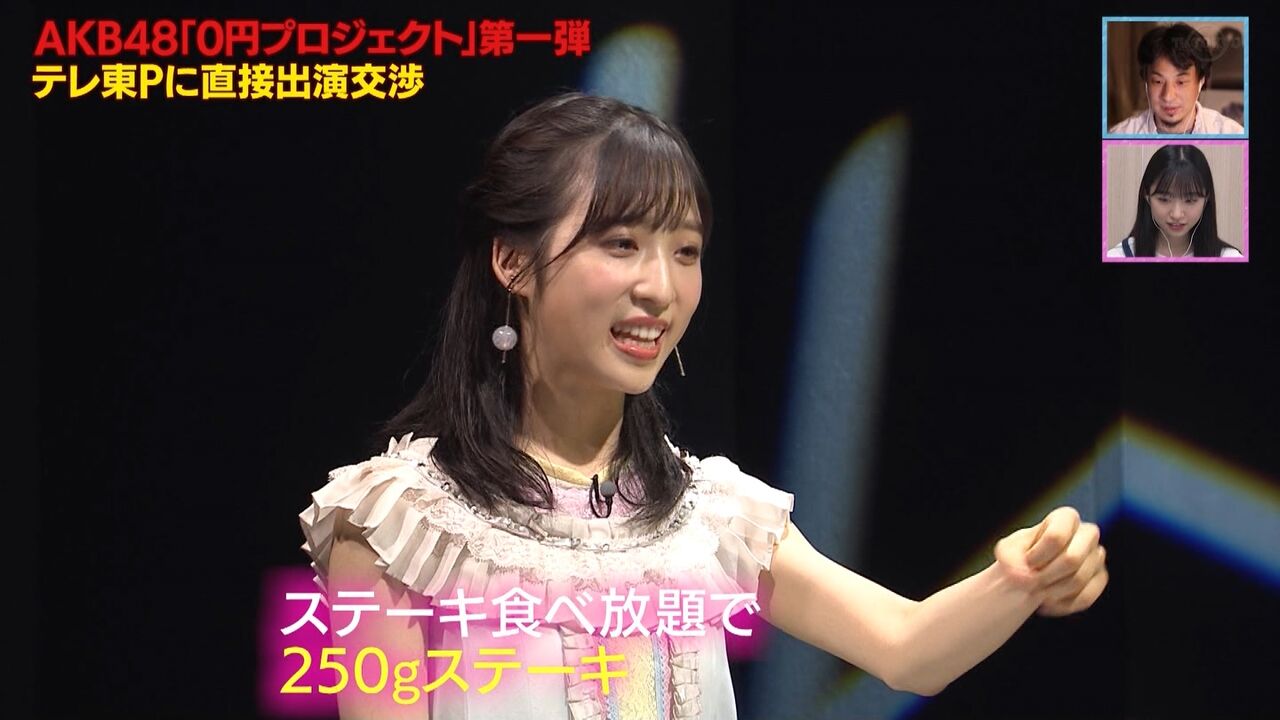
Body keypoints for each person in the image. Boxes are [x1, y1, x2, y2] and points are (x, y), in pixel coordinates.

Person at [299, 91, 1109, 719]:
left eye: (684, 251)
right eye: (621, 244)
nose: (661, 287)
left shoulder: (711, 514)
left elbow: (907, 649)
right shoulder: (398, 522)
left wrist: (1020, 579)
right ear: (512, 261)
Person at [1109, 144, 1243, 258]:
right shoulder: (1119, 256)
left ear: (1206, 198)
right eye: (1164, 199)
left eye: (1190, 200)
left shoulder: (1229, 257)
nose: (1177, 214)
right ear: (1147, 196)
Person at [1109, 23, 1245, 135]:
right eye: (1158, 81)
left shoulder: (1232, 135)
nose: (1168, 96)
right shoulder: (1120, 137)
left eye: (1180, 82)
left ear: (1201, 81)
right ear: (1146, 81)